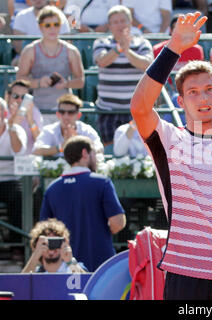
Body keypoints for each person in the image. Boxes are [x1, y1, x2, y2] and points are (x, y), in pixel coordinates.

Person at [130, 12, 212, 300]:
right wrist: (174, 48)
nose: (203, 98)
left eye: (209, 90)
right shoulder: (169, 140)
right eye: (193, 92)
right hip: (187, 277)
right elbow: (139, 107)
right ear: (181, 100)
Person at [40, 135, 126, 272]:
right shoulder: (102, 182)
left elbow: (44, 231)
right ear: (85, 153)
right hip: (100, 266)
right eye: (94, 153)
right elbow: (118, 223)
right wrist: (99, 231)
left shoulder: (52, 188)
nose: (96, 158)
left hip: (65, 269)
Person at [93, 5, 154, 146]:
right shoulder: (100, 43)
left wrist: (127, 51)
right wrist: (119, 48)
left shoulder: (142, 43)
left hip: (135, 110)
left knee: (140, 150)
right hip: (108, 109)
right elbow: (102, 61)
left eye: (123, 21)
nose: (119, 25)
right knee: (109, 149)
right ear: (109, 25)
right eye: (115, 22)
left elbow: (146, 64)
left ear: (130, 22)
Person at [16, 5, 84, 124]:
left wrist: (66, 84)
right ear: (40, 27)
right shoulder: (30, 50)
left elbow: (81, 81)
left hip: (65, 112)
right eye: (47, 25)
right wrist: (39, 82)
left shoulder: (71, 51)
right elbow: (20, 79)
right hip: (37, 110)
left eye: (56, 24)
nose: (52, 29)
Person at [32, 93, 104, 157]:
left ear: (78, 115)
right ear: (58, 114)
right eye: (62, 112)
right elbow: (36, 150)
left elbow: (99, 149)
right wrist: (61, 147)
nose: (66, 116)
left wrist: (79, 145)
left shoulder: (86, 130)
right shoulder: (49, 130)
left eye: (71, 112)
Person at [0, 97, 27, 242]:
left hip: (10, 180)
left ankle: (15, 243)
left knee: (18, 196)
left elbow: (18, 151)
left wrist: (10, 128)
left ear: (4, 114)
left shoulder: (17, 130)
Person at [21, 218, 87, 273]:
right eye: (46, 243)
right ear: (37, 245)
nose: (51, 249)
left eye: (56, 242)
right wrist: (35, 256)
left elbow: (85, 283)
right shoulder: (34, 272)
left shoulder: (74, 267)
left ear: (64, 242)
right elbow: (20, 285)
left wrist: (70, 262)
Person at [5, 79, 43, 155]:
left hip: (28, 161)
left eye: (23, 97)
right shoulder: (2, 111)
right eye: (15, 96)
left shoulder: (34, 111)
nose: (19, 100)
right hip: (7, 161)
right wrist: (15, 118)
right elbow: (5, 139)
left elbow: (39, 141)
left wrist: (31, 120)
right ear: (8, 96)